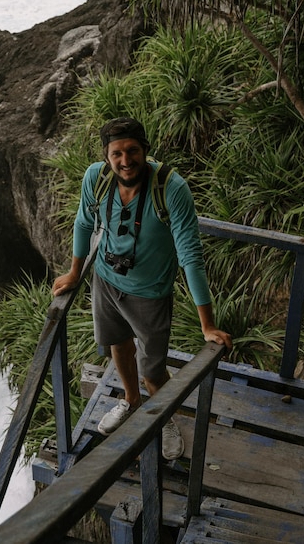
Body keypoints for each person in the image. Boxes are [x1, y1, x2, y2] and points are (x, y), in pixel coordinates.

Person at [52, 116, 232, 460]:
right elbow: (83, 222)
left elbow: (190, 255)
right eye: (116, 153)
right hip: (105, 282)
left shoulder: (170, 189)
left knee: (153, 370)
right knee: (118, 346)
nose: (125, 160)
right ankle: (130, 401)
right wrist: (75, 273)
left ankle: (162, 418)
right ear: (107, 156)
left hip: (150, 293)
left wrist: (206, 324)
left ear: (145, 150)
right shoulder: (97, 178)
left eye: (132, 151)